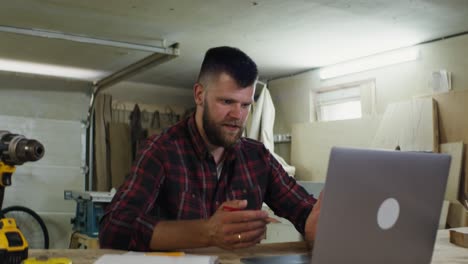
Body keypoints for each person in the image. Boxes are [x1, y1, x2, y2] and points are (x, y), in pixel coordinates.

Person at [99, 46, 323, 251]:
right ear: (199, 95)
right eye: (226, 102)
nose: (237, 115)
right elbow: (114, 227)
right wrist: (207, 232)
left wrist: (314, 222)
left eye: (245, 105)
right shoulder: (162, 151)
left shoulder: (258, 157)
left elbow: (304, 210)